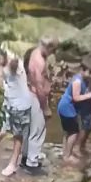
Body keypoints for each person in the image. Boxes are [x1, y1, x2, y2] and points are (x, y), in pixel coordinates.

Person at [0, 47, 32, 176]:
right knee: (0, 132)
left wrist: (11, 56)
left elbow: (14, 63)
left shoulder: (14, 64)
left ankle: (13, 164)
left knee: (18, 135)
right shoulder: (4, 67)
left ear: (0, 56)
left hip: (20, 105)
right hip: (8, 104)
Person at [21, 36, 58, 173]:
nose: (53, 53)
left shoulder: (34, 53)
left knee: (28, 129)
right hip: (36, 97)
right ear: (49, 47)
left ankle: (25, 157)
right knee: (38, 130)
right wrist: (45, 107)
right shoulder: (39, 61)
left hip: (29, 94)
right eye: (53, 50)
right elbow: (39, 87)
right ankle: (32, 163)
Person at [57, 57, 91, 162]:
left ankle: (65, 152)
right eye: (90, 73)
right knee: (73, 133)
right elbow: (76, 98)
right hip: (67, 108)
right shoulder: (77, 81)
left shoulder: (86, 79)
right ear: (82, 70)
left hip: (68, 107)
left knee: (69, 132)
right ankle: (68, 156)